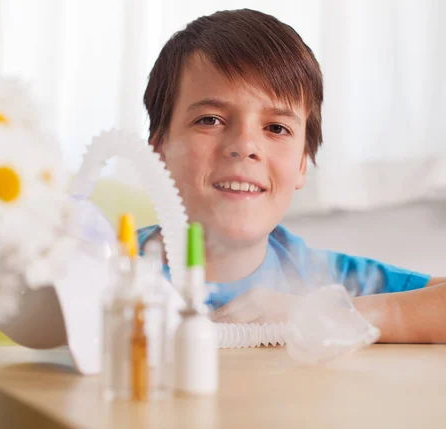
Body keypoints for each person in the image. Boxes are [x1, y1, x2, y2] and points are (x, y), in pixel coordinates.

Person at [139, 8, 446, 343]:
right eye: (210, 120)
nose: (245, 146)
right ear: (159, 151)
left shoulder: (323, 280)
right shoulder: (108, 268)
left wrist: (333, 314)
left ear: (302, 163)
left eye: (276, 128)